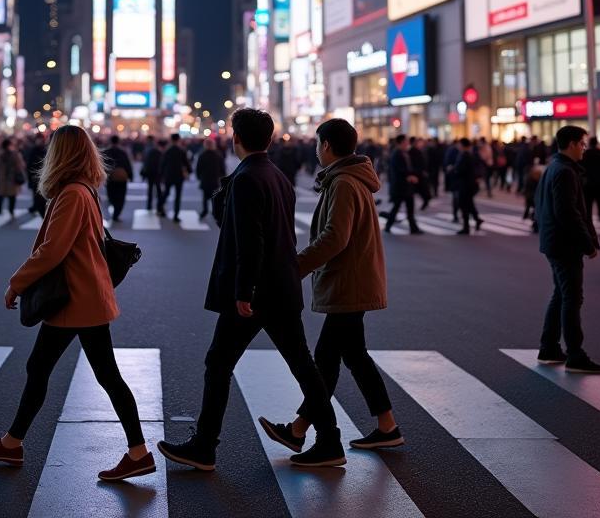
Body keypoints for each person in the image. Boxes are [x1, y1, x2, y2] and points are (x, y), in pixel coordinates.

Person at [157, 108, 344, 470]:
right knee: (302, 364)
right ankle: (330, 440)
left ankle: (205, 447)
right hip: (282, 287)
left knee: (219, 363)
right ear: (270, 139)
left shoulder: (247, 178)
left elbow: (250, 241)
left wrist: (244, 291)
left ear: (236, 138)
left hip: (257, 291)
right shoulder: (276, 175)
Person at [0, 126, 155, 483]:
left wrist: (16, 283)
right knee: (80, 371)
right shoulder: (84, 188)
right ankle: (135, 452)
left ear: (61, 154)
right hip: (86, 297)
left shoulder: (71, 193)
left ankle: (15, 444)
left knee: (56, 369)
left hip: (76, 299)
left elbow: (53, 249)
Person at [259, 119, 402, 454]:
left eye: (317, 144)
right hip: (353, 280)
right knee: (352, 355)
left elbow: (335, 238)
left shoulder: (344, 183)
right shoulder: (351, 179)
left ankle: (301, 430)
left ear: (326, 145)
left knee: (325, 359)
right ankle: (386, 425)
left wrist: (294, 268)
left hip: (348, 282)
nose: (315, 150)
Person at [533, 125, 600, 374]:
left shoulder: (554, 167)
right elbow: (569, 212)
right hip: (564, 244)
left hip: (554, 241)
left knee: (562, 295)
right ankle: (575, 354)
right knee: (572, 297)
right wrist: (587, 244)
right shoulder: (564, 171)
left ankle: (550, 347)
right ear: (573, 144)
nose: (584, 148)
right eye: (583, 143)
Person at [383, 134, 422, 234]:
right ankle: (388, 226)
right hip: (400, 186)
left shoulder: (404, 153)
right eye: (406, 141)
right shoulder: (397, 154)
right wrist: (410, 176)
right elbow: (399, 170)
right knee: (397, 207)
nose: (408, 143)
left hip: (406, 186)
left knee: (408, 207)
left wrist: (412, 176)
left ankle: (413, 228)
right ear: (401, 142)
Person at [158, 133, 190, 221]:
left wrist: (160, 175)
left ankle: (160, 207)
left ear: (171, 140)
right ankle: (176, 215)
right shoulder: (181, 150)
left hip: (169, 175)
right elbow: (186, 163)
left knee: (166, 192)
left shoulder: (167, 150)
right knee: (178, 196)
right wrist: (189, 171)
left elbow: (162, 164)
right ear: (178, 140)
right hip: (179, 175)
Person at [454, 138, 483, 234]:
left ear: (462, 145)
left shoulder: (464, 156)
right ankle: (476, 219)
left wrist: (454, 170)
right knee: (469, 203)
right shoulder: (469, 155)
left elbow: (461, 170)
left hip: (465, 184)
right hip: (469, 184)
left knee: (463, 204)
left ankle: (466, 226)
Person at [0, 138, 26, 217]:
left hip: (1, 178)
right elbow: (21, 165)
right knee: (12, 196)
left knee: (1, 195)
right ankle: (11, 210)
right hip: (12, 178)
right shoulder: (15, 154)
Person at [581, 137, 600, 223]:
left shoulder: (585, 154)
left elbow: (582, 167)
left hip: (588, 182)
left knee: (588, 202)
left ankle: (588, 217)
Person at [104, 135, 133, 222]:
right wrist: (130, 175)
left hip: (110, 177)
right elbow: (127, 164)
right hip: (121, 177)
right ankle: (116, 213)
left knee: (111, 194)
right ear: (118, 142)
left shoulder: (106, 152)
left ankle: (113, 206)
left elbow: (103, 165)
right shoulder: (123, 152)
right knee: (121, 196)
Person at [196, 139, 226, 219]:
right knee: (215, 196)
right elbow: (222, 168)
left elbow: (198, 168)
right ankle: (215, 212)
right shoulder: (218, 154)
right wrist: (223, 177)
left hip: (205, 179)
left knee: (205, 197)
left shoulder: (202, 155)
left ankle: (205, 211)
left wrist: (199, 176)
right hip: (215, 179)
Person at [141, 137, 165, 212]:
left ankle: (149, 205)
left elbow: (145, 162)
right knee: (158, 190)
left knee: (151, 189)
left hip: (150, 173)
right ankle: (159, 206)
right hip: (157, 173)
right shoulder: (159, 152)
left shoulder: (150, 150)